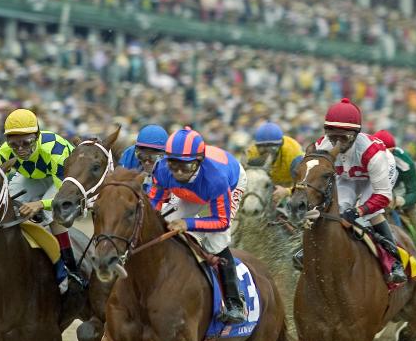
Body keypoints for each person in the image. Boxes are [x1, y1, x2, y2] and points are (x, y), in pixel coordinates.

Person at [149, 127, 248, 323]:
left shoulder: (216, 180)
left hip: (230, 183)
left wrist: (187, 223)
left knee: (216, 241)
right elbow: (154, 207)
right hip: (193, 190)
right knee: (166, 223)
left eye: (184, 167)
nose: (178, 173)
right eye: (173, 165)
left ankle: (234, 302)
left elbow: (221, 222)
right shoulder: (161, 169)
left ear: (198, 162)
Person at [314, 98, 406, 284]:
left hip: (374, 178)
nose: (338, 143)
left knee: (373, 214)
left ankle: (395, 261)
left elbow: (382, 196)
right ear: (326, 133)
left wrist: (359, 211)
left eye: (344, 137)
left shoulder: (373, 153)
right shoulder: (321, 146)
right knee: (337, 209)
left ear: (356, 134)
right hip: (348, 177)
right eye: (333, 136)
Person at [0, 108, 77, 293]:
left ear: (36, 136)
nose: (20, 150)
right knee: (8, 205)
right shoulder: (4, 152)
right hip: (33, 176)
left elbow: (62, 196)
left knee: (48, 210)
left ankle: (68, 266)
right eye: (14, 144)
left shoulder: (55, 151)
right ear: (7, 142)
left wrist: (39, 205)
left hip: (64, 179)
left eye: (26, 143)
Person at [374, 129, 416, 257]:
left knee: (414, 214)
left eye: (389, 153)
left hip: (398, 190)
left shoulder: (406, 162)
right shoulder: (364, 156)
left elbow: (413, 194)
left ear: (394, 150)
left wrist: (401, 200)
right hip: (374, 189)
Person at [246, 122, 303, 203]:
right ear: (256, 146)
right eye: (262, 148)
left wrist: (287, 191)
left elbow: (305, 185)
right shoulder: (252, 152)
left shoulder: (293, 153)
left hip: (292, 182)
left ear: (280, 145)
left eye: (272, 148)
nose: (267, 153)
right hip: (267, 185)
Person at [118, 124, 168, 191]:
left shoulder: (173, 166)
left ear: (164, 155)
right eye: (141, 156)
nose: (147, 162)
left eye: (153, 158)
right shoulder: (130, 155)